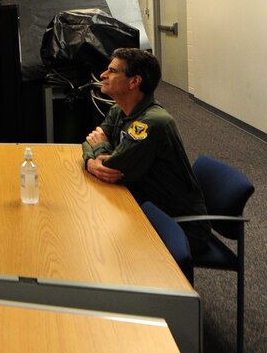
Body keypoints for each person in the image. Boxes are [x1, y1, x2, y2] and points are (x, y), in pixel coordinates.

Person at [82, 47, 210, 253]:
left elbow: (114, 169)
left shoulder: (153, 123)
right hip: (145, 204)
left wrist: (99, 151)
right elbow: (90, 140)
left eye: (113, 71)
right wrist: (91, 160)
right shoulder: (120, 109)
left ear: (134, 82)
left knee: (97, 243)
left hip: (178, 225)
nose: (103, 75)